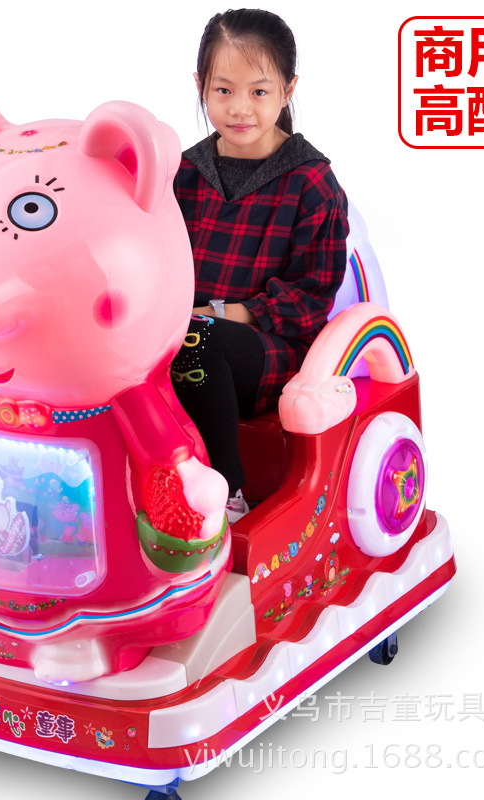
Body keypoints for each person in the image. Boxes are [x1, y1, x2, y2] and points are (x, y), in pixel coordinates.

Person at [172, 8, 349, 522]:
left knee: (194, 339)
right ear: (201, 86)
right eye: (223, 90)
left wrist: (222, 313)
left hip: (270, 345)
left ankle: (226, 493)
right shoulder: (184, 172)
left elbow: (312, 298)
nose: (239, 108)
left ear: (287, 90)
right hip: (180, 327)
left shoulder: (310, 182)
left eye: (259, 91)